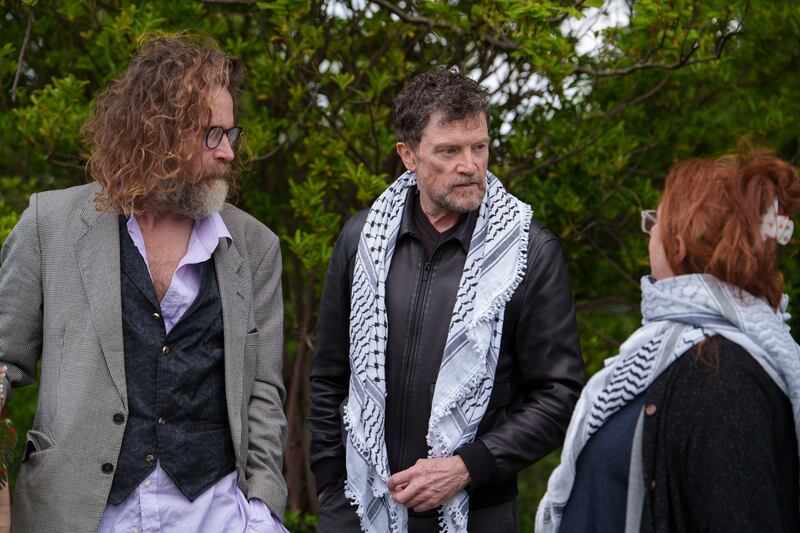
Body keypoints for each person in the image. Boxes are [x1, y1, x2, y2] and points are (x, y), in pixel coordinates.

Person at [0, 34, 288, 532]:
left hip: (215, 516)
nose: (228, 154)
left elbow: (263, 392)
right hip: (81, 513)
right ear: (158, 133)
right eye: (211, 135)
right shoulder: (52, 223)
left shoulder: (255, 247)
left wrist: (261, 509)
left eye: (231, 134)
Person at [308, 68, 585, 533]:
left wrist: (466, 467)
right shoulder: (363, 240)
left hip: (479, 512)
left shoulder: (529, 252)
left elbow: (559, 394)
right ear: (408, 156)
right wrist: (331, 486)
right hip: (360, 506)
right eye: (449, 151)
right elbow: (329, 377)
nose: (471, 165)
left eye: (479, 147)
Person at [537, 150, 800, 532]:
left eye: (653, 222)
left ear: (677, 245)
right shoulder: (673, 352)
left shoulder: (722, 377)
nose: (649, 236)